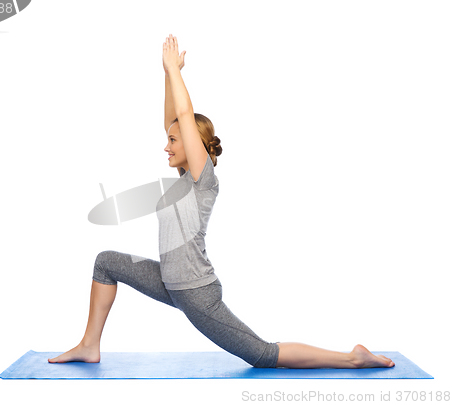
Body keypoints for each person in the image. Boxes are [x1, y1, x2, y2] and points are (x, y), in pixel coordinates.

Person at [48, 34, 395, 369]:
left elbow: (184, 118)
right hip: (169, 282)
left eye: (173, 140)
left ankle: (352, 357)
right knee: (106, 262)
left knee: (262, 354)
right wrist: (170, 75)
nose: (166, 146)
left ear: (191, 144)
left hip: (197, 293)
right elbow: (175, 119)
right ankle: (89, 345)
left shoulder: (203, 180)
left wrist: (173, 72)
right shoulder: (185, 180)